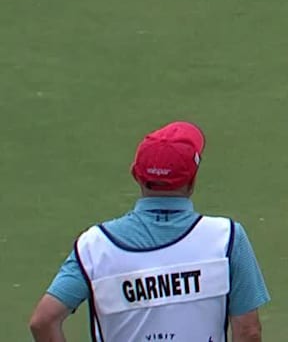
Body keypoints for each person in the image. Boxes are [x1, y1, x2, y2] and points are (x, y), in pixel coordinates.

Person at [27, 121, 271, 342]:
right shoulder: (227, 238)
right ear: (192, 181)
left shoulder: (94, 247)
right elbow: (248, 331)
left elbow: (43, 321)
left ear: (136, 175)